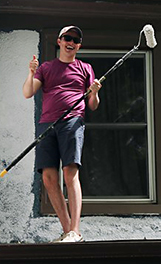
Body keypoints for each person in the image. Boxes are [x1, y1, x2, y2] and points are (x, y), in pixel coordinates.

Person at [22, 25, 102, 242]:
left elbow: (92, 105)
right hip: (47, 124)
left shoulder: (85, 68)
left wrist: (94, 93)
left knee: (70, 173)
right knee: (48, 178)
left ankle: (75, 230)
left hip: (72, 121)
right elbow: (28, 92)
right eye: (67, 37)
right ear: (59, 41)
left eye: (75, 40)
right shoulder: (46, 68)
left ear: (79, 46)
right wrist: (31, 73)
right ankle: (68, 231)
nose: (71, 42)